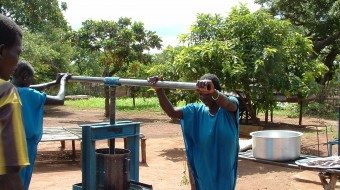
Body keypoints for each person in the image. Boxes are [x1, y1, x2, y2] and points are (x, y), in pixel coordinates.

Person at [148, 74, 239, 190]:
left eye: (206, 93)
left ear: (215, 90)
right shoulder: (196, 111)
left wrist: (213, 92)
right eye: (200, 93)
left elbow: (228, 104)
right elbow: (172, 112)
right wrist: (159, 90)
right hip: (203, 169)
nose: (202, 97)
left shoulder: (229, 108)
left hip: (224, 171)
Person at [11, 61, 70, 190]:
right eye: (30, 79)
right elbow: (60, 99)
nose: (31, 83)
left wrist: (53, 83)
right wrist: (63, 82)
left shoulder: (9, 88)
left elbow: (34, 87)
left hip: (11, 143)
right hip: (27, 145)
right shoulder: (29, 94)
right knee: (22, 180)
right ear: (25, 76)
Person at [0, 14, 29, 190]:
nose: (17, 62)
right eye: (17, 52)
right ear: (2, 51)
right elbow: (9, 175)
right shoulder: (6, 93)